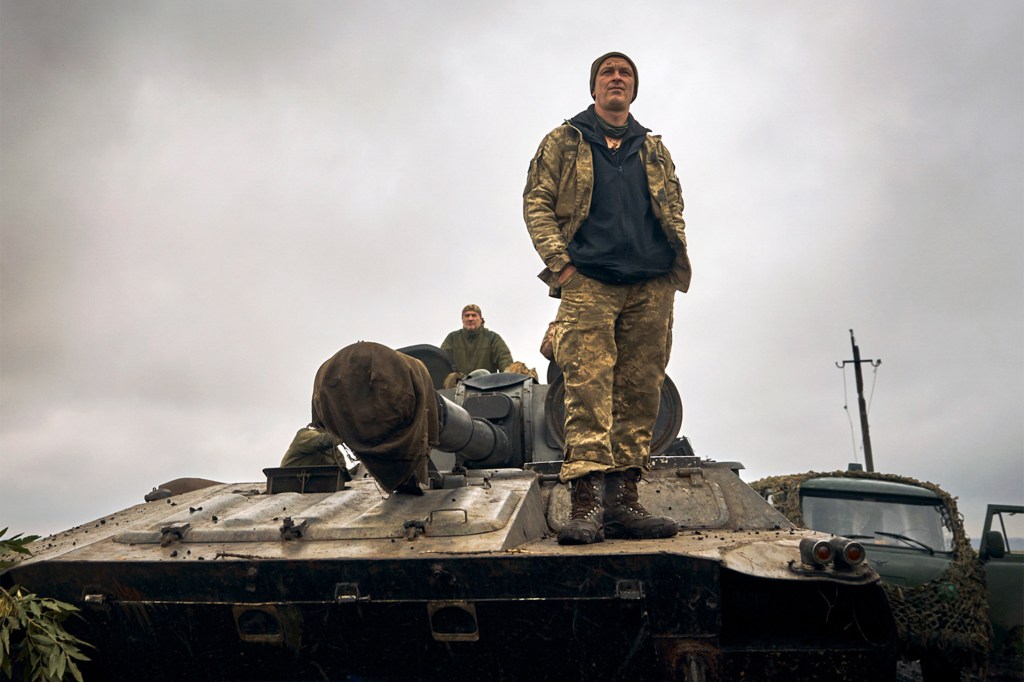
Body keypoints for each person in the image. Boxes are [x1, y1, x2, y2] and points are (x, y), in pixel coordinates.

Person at [523, 52, 691, 545]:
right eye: (607, 73)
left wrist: (669, 265)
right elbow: (537, 202)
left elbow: (673, 204)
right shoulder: (565, 140)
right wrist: (564, 268)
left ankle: (624, 504)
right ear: (594, 88)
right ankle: (586, 506)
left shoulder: (653, 149)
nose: (616, 79)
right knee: (588, 390)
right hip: (589, 282)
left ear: (633, 90)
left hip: (651, 284)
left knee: (640, 393)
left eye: (625, 74)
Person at [440, 304, 514, 376]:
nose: (470, 319)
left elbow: (505, 360)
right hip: (457, 386)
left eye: (474, 315)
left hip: (486, 385)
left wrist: (508, 376)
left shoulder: (492, 338)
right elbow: (441, 361)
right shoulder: (452, 338)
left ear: (481, 319)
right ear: (462, 319)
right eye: (467, 315)